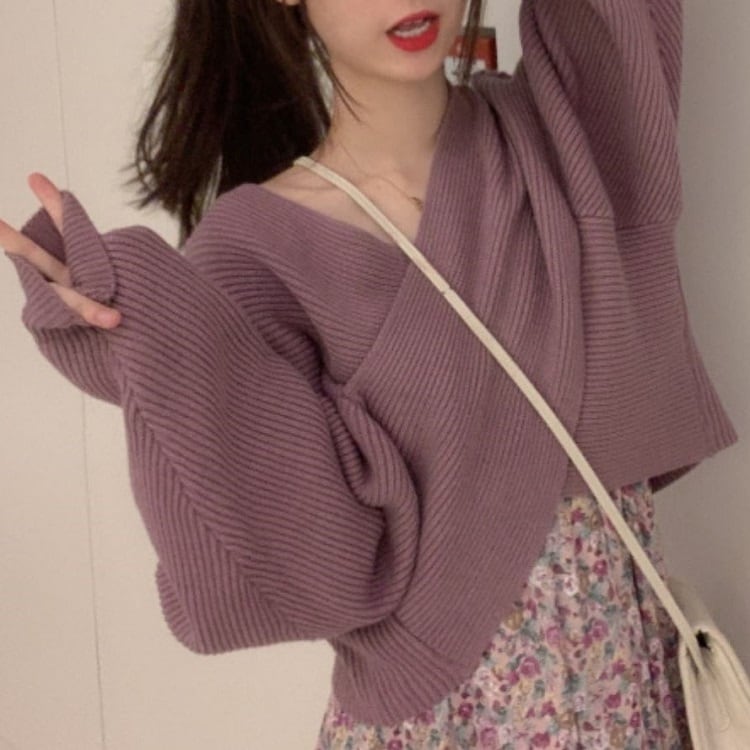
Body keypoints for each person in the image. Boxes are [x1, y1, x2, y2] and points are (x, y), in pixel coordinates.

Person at [1, 0, 739, 747]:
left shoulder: (565, 142)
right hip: (442, 725)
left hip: (633, 703)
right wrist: (143, 337)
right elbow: (307, 562)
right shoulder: (251, 252)